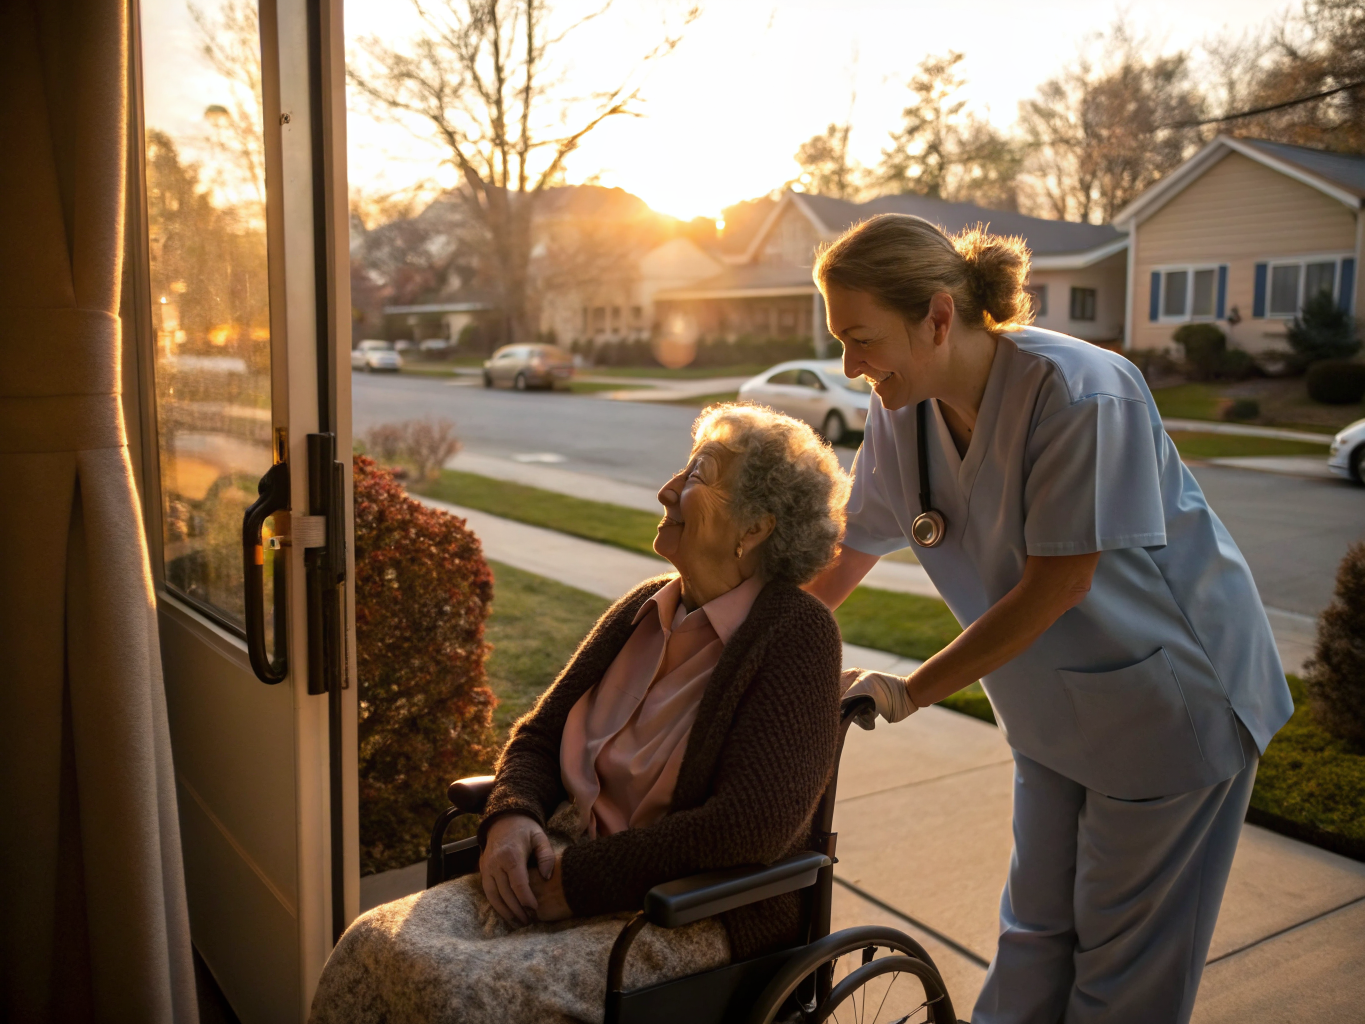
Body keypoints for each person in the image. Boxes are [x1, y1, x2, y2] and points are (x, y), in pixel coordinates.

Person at [804, 214, 1293, 1024]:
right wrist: (733, 642)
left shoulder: (1080, 391)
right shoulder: (902, 412)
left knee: (1119, 973)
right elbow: (848, 551)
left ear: (935, 316)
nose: (850, 366)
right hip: (1048, 713)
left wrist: (910, 691)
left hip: (1168, 705)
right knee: (1031, 935)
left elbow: (1057, 585)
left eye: (860, 338)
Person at [310, 404, 850, 1024]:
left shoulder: (797, 635)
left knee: (451, 995)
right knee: (370, 943)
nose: (667, 489)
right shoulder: (643, 608)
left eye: (698, 476)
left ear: (754, 528)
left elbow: (749, 826)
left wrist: (581, 880)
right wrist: (511, 815)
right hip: (557, 865)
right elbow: (538, 737)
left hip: (683, 910)